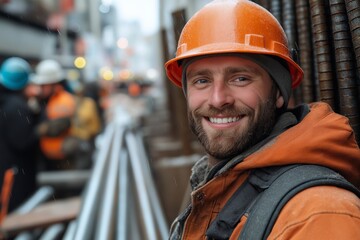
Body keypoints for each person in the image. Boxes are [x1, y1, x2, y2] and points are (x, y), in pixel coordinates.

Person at [164, 0, 360, 239]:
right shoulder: (216, 184)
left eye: (240, 78)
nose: (217, 99)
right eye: (201, 81)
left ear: (278, 93)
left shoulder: (318, 215)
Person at [0, 57, 39, 212]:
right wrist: (40, 129)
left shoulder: (5, 103)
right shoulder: (18, 107)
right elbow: (23, 141)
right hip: (15, 176)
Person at [31, 59, 76, 170]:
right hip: (48, 158)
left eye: (43, 85)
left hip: (64, 159)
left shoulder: (64, 100)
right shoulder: (44, 101)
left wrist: (37, 130)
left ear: (54, 84)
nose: (40, 89)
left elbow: (57, 127)